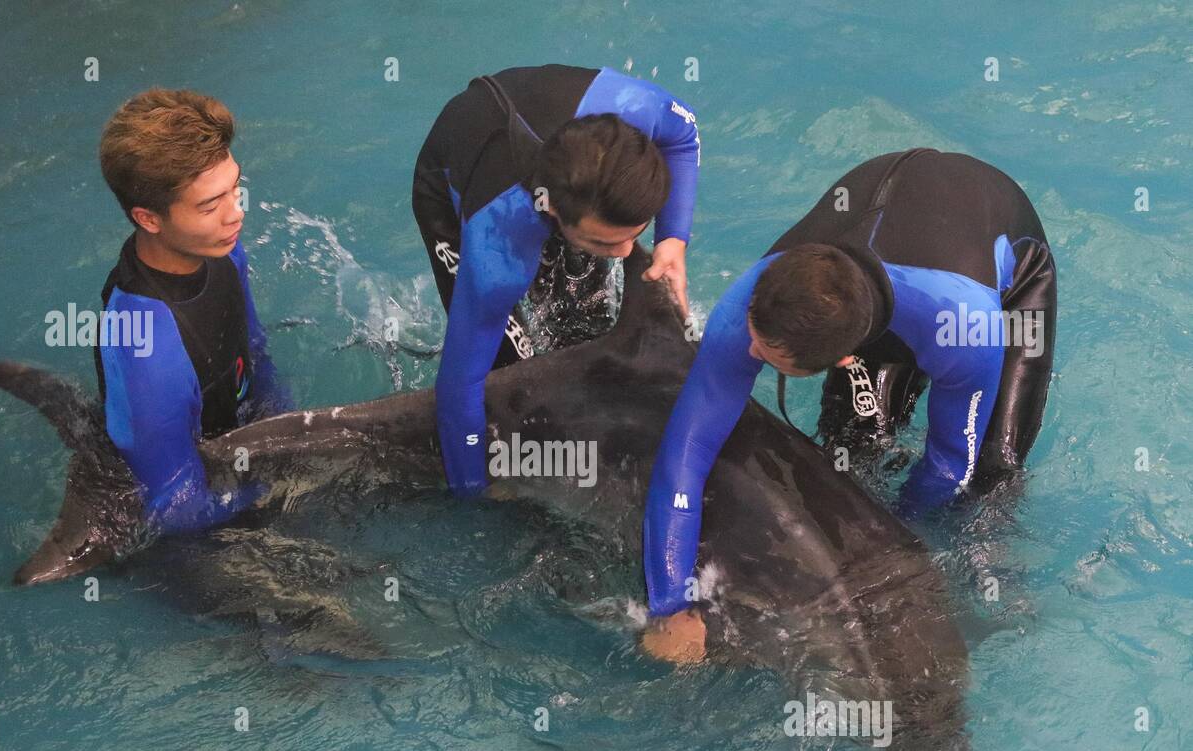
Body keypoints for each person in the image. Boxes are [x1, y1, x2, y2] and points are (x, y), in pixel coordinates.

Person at [641, 148, 1057, 662]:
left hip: (998, 276)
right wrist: (669, 604)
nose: (748, 354)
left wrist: (890, 545)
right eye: (756, 338)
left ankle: (999, 601)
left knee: (988, 475)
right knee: (850, 452)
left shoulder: (971, 332)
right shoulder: (752, 301)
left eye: (768, 355)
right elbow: (684, 454)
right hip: (882, 270)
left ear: (840, 358)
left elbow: (951, 464)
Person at [412, 64, 701, 496]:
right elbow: (460, 387)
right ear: (553, 215)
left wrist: (672, 239)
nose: (625, 254)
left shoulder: (631, 113)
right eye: (605, 242)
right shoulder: (495, 255)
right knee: (513, 381)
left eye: (633, 235)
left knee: (585, 331)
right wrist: (473, 491)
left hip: (563, 161)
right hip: (454, 185)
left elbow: (683, 135)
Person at [96, 88, 292, 533]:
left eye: (234, 189)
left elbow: (255, 353)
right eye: (210, 205)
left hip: (238, 466)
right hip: (197, 536)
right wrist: (273, 488)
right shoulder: (145, 344)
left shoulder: (221, 249)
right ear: (149, 219)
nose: (236, 214)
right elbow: (174, 508)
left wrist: (290, 439)